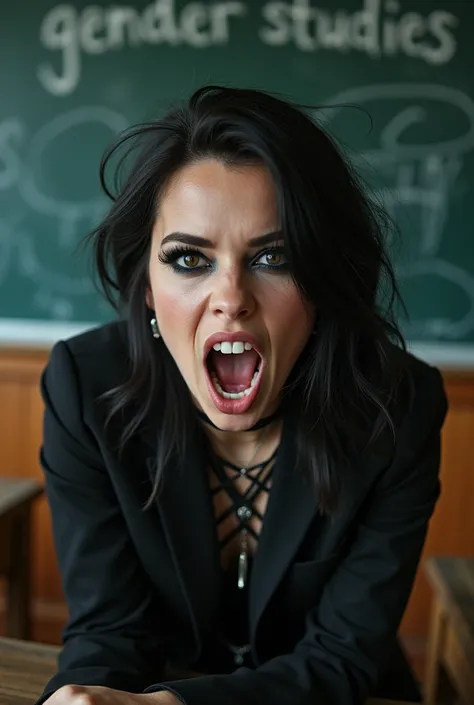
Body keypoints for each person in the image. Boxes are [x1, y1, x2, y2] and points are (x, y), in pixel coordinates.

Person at [37, 85, 447, 705]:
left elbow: (342, 658)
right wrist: (82, 697)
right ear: (146, 286)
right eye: (188, 259)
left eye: (274, 256)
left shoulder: (399, 407)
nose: (231, 297)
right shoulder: (84, 389)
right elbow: (108, 631)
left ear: (323, 282)